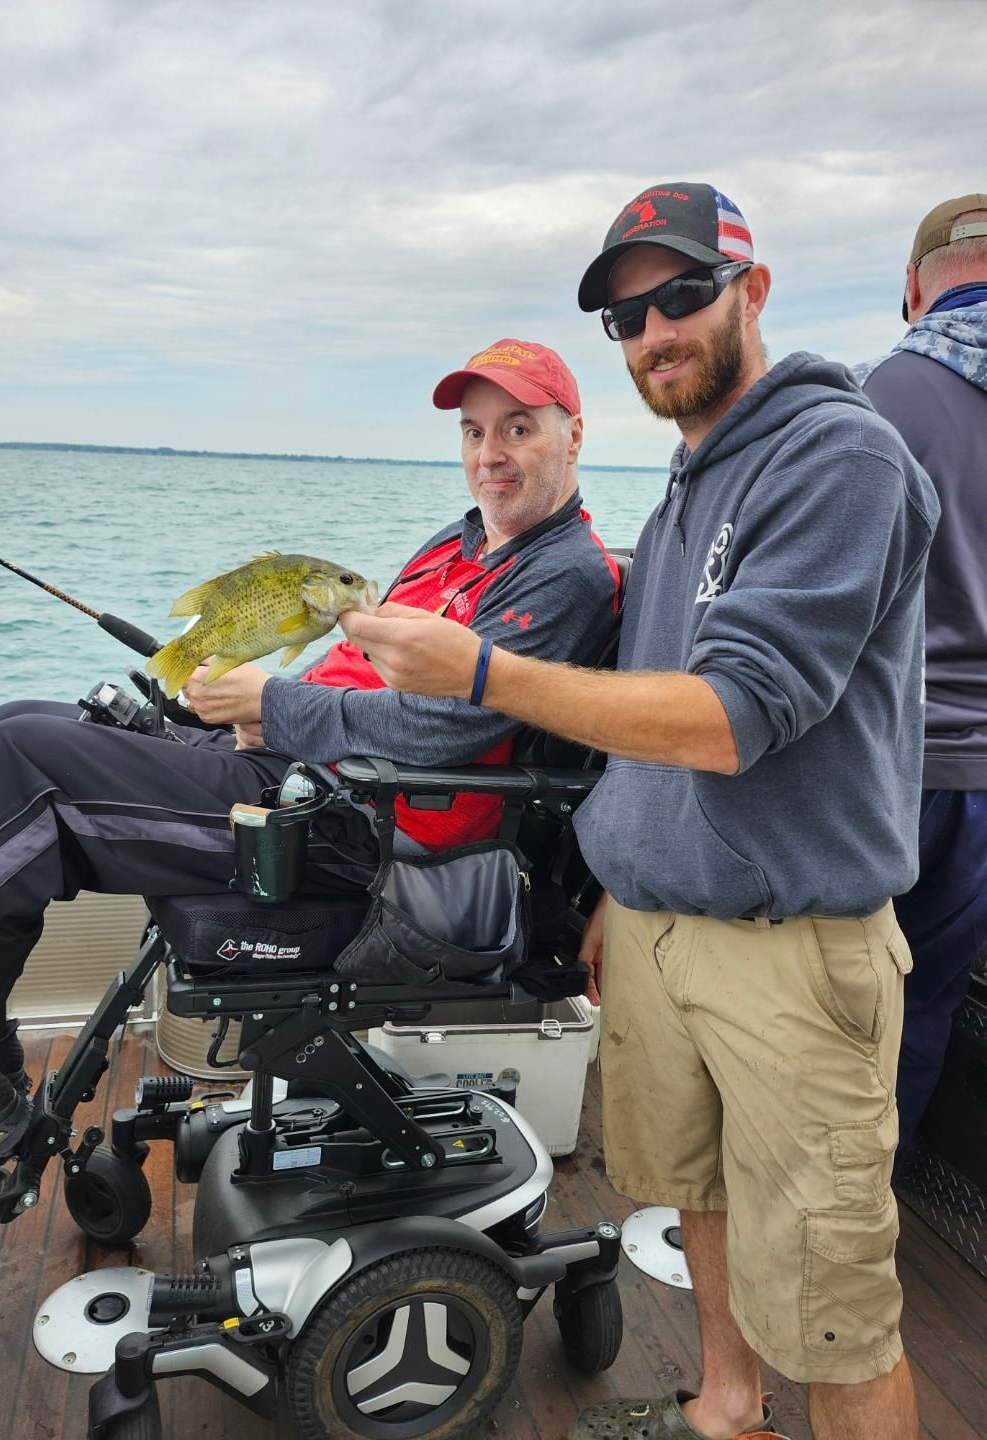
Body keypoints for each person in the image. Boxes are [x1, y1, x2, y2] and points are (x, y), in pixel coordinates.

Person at [341, 183, 939, 1440]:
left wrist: (481, 673)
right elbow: (645, 725)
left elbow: (732, 715)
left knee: (837, 1305)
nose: (654, 330)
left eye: (681, 294)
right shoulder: (683, 491)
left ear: (752, 292)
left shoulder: (841, 457)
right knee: (697, 1199)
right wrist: (622, 879)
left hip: (792, 954)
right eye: (626, 315)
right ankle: (726, 1409)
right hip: (666, 931)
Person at [0, 337, 620, 1182]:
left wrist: (275, 706)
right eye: (473, 432)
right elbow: (354, 674)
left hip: (362, 834)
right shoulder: (455, 545)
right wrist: (249, 718)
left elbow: (445, 733)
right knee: (11, 725)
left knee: (29, 771)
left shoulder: (566, 573)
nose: (488, 455)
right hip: (301, 774)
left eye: (517, 429)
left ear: (573, 436)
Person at [853, 194, 987, 1163]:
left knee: (829, 1008)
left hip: (882, 770)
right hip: (986, 789)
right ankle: (876, 1210)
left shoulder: (874, 398)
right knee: (925, 1003)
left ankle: (796, 1226)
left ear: (912, 287)